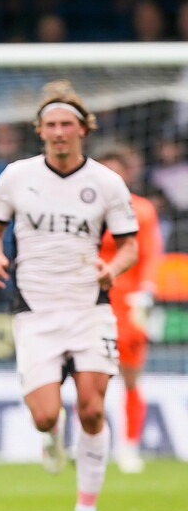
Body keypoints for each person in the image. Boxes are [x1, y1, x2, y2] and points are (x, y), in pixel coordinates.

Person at [0, 81, 139, 511]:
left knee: (92, 410)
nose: (59, 132)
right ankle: (51, 437)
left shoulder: (107, 183)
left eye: (67, 124)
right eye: (50, 124)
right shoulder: (17, 176)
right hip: (35, 309)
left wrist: (115, 268)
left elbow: (129, 246)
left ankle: (86, 510)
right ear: (39, 130)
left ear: (84, 128)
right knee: (46, 415)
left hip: (90, 307)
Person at [97, 146, 164, 474]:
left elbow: (151, 253)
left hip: (130, 304)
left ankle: (130, 445)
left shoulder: (143, 210)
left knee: (131, 377)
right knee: (85, 374)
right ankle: (85, 440)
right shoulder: (86, 210)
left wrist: (148, 291)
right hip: (92, 302)